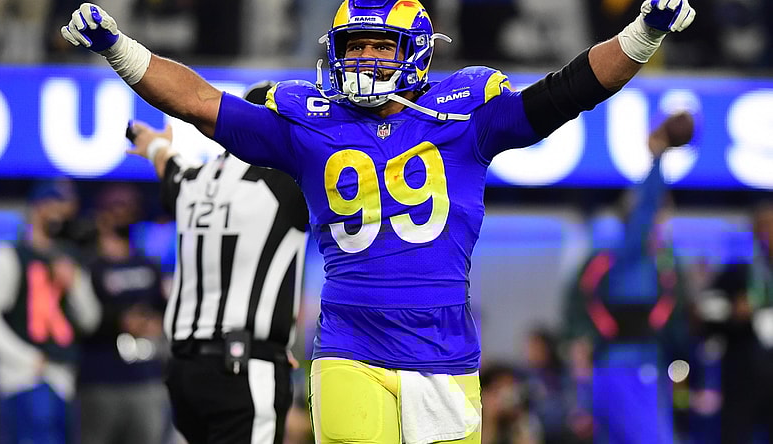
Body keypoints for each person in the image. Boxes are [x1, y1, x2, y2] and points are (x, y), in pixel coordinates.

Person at [60, 0, 696, 442]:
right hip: (349, 344)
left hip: (442, 348)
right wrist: (119, 48)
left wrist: (642, 34)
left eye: (378, 45)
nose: (364, 58)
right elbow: (200, 103)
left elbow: (563, 94)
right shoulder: (308, 122)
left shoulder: (464, 111)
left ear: (415, 51)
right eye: (353, 46)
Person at [124, 80, 309, 444]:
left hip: (184, 370)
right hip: (243, 366)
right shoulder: (287, 181)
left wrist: (154, 145)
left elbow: (170, 166)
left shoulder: (197, 180)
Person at [561, 112, 697, 444]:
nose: (664, 217)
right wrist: (658, 155)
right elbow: (647, 207)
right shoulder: (630, 252)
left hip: (618, 368)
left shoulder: (647, 259)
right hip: (631, 369)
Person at [0, 179, 101, 444]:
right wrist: (24, 358)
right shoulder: (8, 255)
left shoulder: (68, 259)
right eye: (53, 205)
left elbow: (89, 319)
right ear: (36, 208)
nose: (59, 214)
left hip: (64, 377)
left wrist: (74, 285)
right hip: (26, 377)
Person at [76, 183, 169, 444]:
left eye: (131, 207)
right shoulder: (88, 265)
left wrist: (154, 322)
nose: (126, 213)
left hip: (146, 377)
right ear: (101, 214)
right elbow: (82, 319)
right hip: (101, 379)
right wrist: (120, 321)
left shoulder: (147, 264)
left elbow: (163, 307)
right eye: (118, 207)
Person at [696, 200, 773, 444]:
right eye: (763, 226)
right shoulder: (737, 272)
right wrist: (733, 312)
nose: (768, 233)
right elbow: (706, 311)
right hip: (743, 372)